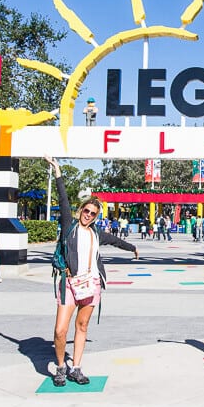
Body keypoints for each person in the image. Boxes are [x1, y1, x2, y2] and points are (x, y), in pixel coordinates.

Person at [45, 155, 139, 387]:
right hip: (69, 283)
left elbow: (116, 241)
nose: (88, 215)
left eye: (93, 213)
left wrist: (133, 248)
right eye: (86, 210)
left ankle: (76, 367)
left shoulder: (97, 233)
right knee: (60, 330)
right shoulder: (70, 225)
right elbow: (63, 197)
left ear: (97, 216)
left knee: (82, 326)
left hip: (91, 283)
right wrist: (57, 170)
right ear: (80, 210)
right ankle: (60, 367)